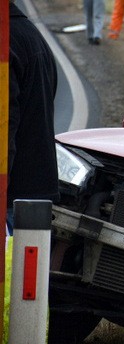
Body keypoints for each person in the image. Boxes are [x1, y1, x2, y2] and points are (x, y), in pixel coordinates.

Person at [8, 0, 60, 235]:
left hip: (10, 203)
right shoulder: (32, 37)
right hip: (34, 201)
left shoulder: (5, 44)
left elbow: (4, 131)